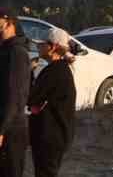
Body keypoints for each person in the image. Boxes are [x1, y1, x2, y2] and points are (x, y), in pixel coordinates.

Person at [27, 28, 75, 177]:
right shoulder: (61, 69)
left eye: (42, 44)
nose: (38, 47)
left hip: (50, 136)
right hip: (56, 135)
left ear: (53, 47)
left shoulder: (55, 71)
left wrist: (28, 73)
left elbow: (32, 98)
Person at [0, 11, 31, 177]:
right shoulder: (5, 51)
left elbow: (14, 95)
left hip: (11, 129)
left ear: (9, 23)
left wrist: (2, 130)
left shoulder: (16, 53)